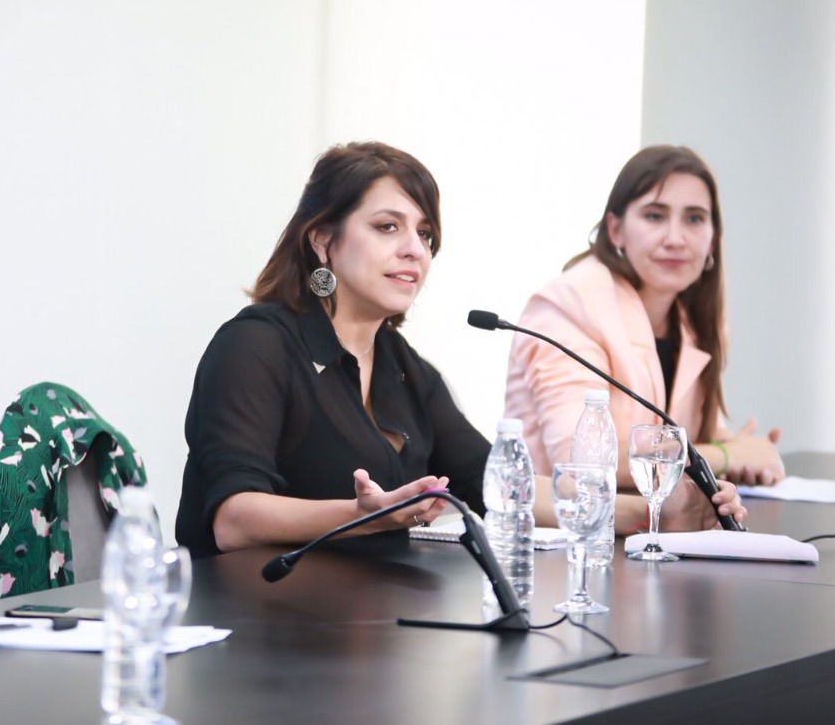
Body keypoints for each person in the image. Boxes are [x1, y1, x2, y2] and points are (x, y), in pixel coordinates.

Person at [175, 142, 742, 560]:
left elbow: (496, 484)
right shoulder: (256, 345)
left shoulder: (402, 367)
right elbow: (234, 520)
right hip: (253, 628)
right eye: (387, 227)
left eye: (424, 234)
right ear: (322, 239)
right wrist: (361, 518)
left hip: (360, 634)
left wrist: (652, 512)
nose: (413, 251)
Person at [504, 145, 785, 502]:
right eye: (655, 216)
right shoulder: (569, 305)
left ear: (713, 238)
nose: (675, 238)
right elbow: (580, 457)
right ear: (616, 230)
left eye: (695, 218)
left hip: (647, 532)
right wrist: (724, 456)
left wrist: (742, 450)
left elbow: (696, 434)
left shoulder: (687, 319)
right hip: (560, 539)